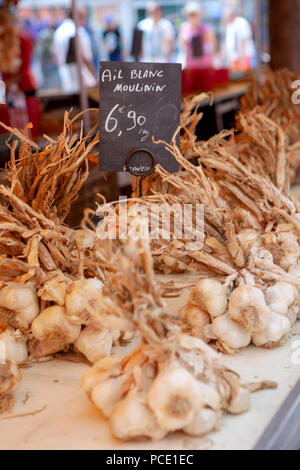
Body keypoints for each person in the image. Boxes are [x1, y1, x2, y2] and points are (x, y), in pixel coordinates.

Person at [53, 9, 97, 93]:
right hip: (81, 78)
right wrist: (95, 78)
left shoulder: (58, 31)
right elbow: (86, 57)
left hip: (65, 77)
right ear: (78, 17)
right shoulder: (78, 31)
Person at [179, 2, 217, 69]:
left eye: (195, 14)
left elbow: (213, 45)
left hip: (204, 65)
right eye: (191, 15)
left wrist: (213, 61)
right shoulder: (184, 29)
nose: (193, 17)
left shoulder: (205, 29)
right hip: (190, 65)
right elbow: (182, 46)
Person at [222, 5, 256, 72]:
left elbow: (244, 40)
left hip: (244, 57)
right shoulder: (229, 26)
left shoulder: (241, 23)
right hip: (234, 58)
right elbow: (227, 43)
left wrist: (242, 59)